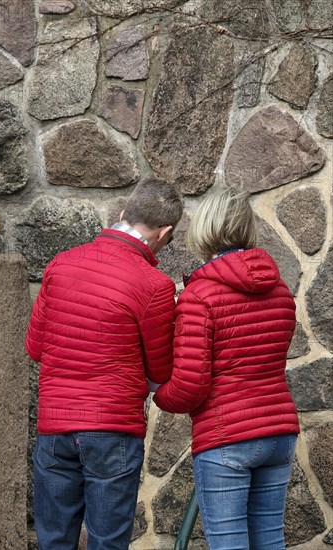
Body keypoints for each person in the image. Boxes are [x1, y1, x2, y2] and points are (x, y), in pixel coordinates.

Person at [25, 178, 183, 549]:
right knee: (108, 542)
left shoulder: (61, 264)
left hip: (55, 426)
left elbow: (35, 347)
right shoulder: (154, 285)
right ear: (165, 232)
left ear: (124, 212)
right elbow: (161, 371)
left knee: (53, 541)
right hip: (113, 430)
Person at [153, 187, 300, 550]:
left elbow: (190, 386)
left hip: (227, 438)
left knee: (228, 544)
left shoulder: (198, 297)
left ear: (204, 227)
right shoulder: (280, 291)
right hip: (279, 432)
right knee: (270, 541)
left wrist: (158, 393)